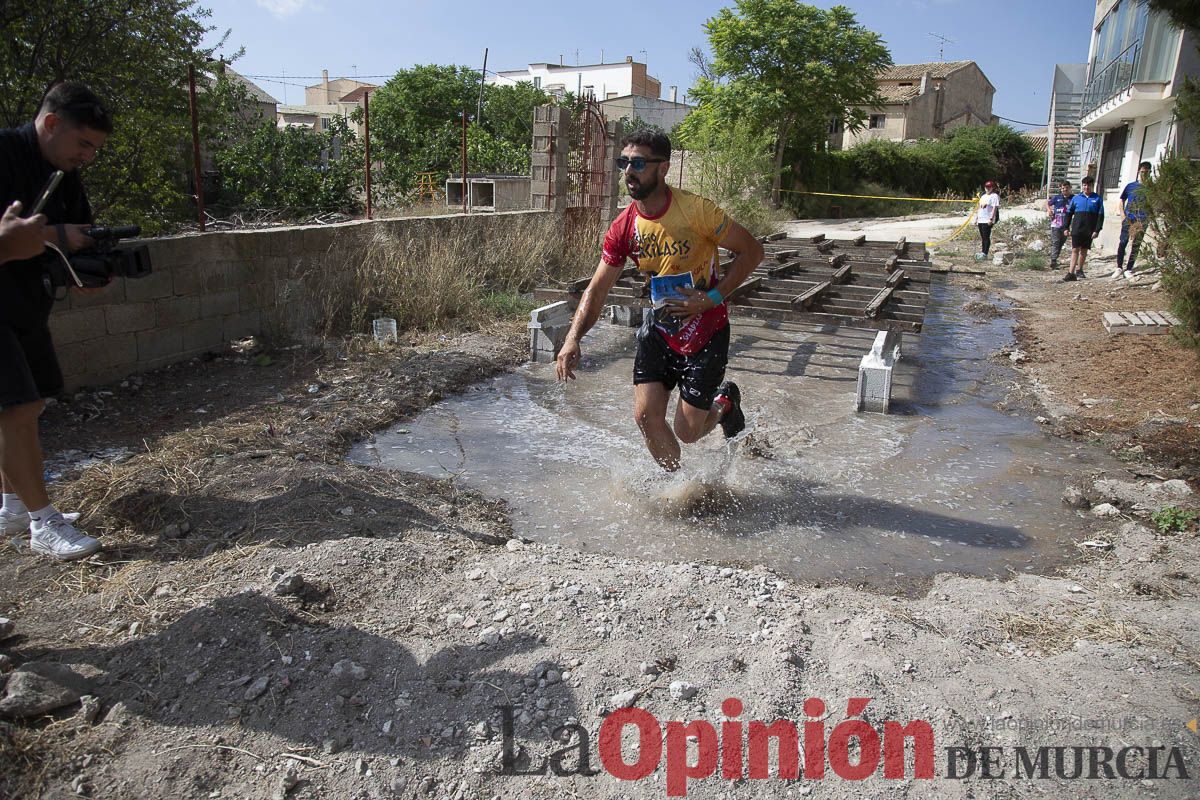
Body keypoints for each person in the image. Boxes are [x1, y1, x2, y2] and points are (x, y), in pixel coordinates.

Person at [555, 129, 764, 472]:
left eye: (638, 163)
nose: (628, 171)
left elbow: (752, 252)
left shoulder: (697, 211)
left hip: (706, 330)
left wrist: (710, 298)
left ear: (663, 168)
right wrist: (573, 338)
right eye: (624, 162)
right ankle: (679, 485)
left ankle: (725, 404)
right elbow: (596, 289)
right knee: (645, 416)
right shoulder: (624, 226)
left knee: (688, 431)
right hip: (661, 329)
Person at [0, 82, 111, 560]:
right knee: (16, 409)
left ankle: (11, 505)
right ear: (50, 124)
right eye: (83, 142)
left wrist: (82, 272)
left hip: (24, 305)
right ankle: (44, 523)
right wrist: (12, 243)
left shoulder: (64, 173)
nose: (88, 155)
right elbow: (21, 241)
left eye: (95, 148)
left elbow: (72, 241)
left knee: (28, 405)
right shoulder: (3, 156)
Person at [1111, 161, 1151, 280]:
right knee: (1123, 242)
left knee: (1136, 245)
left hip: (1142, 221)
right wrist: (1122, 214)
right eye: (1142, 172)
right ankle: (1119, 267)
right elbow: (1122, 200)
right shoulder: (1131, 186)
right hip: (1128, 219)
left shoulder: (1151, 188)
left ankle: (1129, 269)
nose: (1144, 174)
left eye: (1146, 172)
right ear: (1139, 171)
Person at [1061, 175, 1104, 282]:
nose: (1086, 187)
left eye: (1089, 185)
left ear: (1092, 186)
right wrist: (1065, 227)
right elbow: (1069, 214)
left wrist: (1097, 230)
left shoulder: (1097, 199)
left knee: (1084, 250)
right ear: (1082, 186)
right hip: (1077, 228)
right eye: (1084, 185)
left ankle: (1079, 270)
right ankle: (1071, 273)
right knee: (1075, 249)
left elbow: (1100, 216)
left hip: (1089, 229)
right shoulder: (1076, 198)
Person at [1046, 180, 1072, 270]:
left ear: (1070, 188)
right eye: (1063, 188)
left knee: (1061, 242)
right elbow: (1048, 203)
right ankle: (1053, 261)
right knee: (1055, 242)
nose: (1065, 190)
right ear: (1060, 189)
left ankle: (1055, 257)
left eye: (1066, 188)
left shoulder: (1073, 199)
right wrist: (1049, 210)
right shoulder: (1057, 198)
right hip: (1056, 223)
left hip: (1066, 225)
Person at [976, 180, 1000, 257]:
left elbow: (994, 208)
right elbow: (979, 207)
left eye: (989, 187)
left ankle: (985, 253)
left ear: (992, 187)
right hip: (981, 218)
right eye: (986, 187)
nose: (987, 188)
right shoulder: (983, 196)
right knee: (982, 237)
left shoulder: (994, 196)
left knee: (986, 236)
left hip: (987, 219)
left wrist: (991, 219)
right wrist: (976, 218)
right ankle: (982, 252)